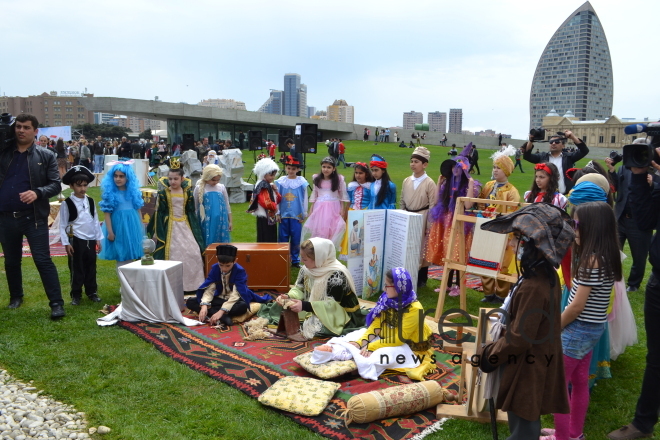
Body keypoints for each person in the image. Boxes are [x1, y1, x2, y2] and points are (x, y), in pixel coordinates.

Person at [477, 203, 574, 440]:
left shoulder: (534, 285)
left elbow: (520, 337)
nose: (511, 244)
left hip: (528, 368)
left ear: (532, 245)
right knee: (523, 421)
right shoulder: (541, 274)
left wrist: (490, 354)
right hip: (533, 362)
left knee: (524, 429)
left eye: (517, 239)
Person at [541, 202, 621, 440]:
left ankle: (563, 437)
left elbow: (576, 307)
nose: (572, 229)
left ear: (591, 228)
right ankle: (574, 433)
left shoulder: (590, 262)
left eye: (575, 224)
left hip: (577, 331)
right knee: (578, 382)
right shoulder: (607, 256)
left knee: (558, 386)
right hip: (593, 330)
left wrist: (554, 327)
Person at [607, 144, 660, 440]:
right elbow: (646, 221)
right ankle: (643, 423)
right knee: (656, 359)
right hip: (659, 284)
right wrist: (640, 176)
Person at [312, 267, 435, 381]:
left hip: (409, 345)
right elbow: (376, 325)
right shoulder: (387, 299)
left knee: (381, 355)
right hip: (387, 336)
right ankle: (336, 351)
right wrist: (360, 343)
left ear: (398, 287)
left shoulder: (415, 309)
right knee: (357, 335)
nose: (384, 289)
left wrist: (372, 347)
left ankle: (355, 365)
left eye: (387, 286)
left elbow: (399, 339)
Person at [0, 114, 65, 318]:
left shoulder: (46, 155)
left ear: (35, 131)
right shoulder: (3, 153)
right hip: (6, 216)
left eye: (26, 127)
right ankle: (16, 297)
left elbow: (55, 184)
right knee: (11, 261)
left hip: (33, 216)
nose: (21, 130)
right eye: (18, 127)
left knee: (42, 259)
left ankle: (56, 303)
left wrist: (37, 192)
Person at [257, 238, 366, 342]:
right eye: (301, 257)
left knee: (316, 327)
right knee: (279, 307)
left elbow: (331, 305)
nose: (301, 261)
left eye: (305, 259)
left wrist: (304, 306)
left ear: (319, 259)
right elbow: (300, 289)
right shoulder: (307, 269)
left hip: (338, 312)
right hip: (315, 305)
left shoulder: (337, 275)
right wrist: (289, 297)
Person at [426, 144, 480, 296]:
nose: (455, 169)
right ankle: (447, 284)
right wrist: (439, 184)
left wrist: (470, 185)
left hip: (460, 223)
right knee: (447, 253)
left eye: (458, 167)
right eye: (453, 167)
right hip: (446, 220)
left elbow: (468, 204)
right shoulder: (447, 184)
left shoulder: (471, 185)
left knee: (457, 253)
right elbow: (436, 201)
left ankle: (458, 286)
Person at [606, 146, 659, 292]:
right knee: (613, 251)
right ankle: (612, 279)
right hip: (621, 216)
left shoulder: (654, 169)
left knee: (639, 255)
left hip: (641, 220)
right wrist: (612, 171)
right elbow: (617, 186)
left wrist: (651, 184)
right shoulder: (625, 167)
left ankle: (634, 284)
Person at [147, 167, 205, 292]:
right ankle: (171, 286)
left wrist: (196, 229)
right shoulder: (163, 194)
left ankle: (192, 284)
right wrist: (157, 231)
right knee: (173, 252)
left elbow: (190, 212)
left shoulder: (188, 193)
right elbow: (159, 213)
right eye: (170, 179)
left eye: (175, 179)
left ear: (182, 179)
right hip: (170, 227)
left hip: (185, 225)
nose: (172, 181)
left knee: (193, 251)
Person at [187, 244, 273, 327]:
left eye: (228, 266)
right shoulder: (215, 269)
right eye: (221, 265)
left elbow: (235, 295)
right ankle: (223, 316)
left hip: (234, 300)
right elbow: (210, 290)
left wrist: (221, 311)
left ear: (235, 261)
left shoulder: (240, 271)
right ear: (217, 259)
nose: (224, 269)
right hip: (219, 298)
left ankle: (218, 313)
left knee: (242, 306)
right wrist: (204, 305)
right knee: (191, 302)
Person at [478, 146, 520, 303]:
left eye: (499, 168)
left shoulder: (512, 191)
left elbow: (512, 212)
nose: (495, 170)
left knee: (503, 263)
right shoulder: (488, 185)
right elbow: (481, 203)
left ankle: (501, 294)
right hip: (486, 229)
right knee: (485, 260)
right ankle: (488, 293)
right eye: (494, 167)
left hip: (503, 232)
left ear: (506, 171)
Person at [59, 166, 103, 306]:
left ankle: (92, 292)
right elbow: (62, 224)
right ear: (71, 186)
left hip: (90, 238)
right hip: (76, 238)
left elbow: (95, 220)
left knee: (91, 265)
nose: (82, 189)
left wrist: (98, 238)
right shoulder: (67, 203)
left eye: (85, 185)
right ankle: (76, 294)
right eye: (79, 186)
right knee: (77, 267)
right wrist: (67, 243)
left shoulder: (90, 201)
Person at [400, 147, 437, 288]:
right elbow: (402, 199)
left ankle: (422, 277)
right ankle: (407, 273)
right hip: (408, 216)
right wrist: (402, 215)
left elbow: (433, 205)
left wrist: (429, 225)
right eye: (411, 161)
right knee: (407, 246)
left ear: (425, 164)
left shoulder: (429, 183)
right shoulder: (406, 181)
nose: (413, 164)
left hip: (422, 216)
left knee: (421, 247)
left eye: (416, 161)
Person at [98, 161, 144, 269]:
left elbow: (138, 211)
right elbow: (107, 214)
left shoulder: (133, 192)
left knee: (131, 255)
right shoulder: (111, 194)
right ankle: (124, 284)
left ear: (127, 177)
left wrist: (140, 228)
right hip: (118, 228)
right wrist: (110, 232)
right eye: (116, 176)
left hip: (132, 227)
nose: (118, 179)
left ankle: (129, 284)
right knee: (121, 255)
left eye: (121, 176)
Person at [301, 156, 349, 249]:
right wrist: (312, 208)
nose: (326, 169)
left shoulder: (339, 179)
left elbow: (342, 195)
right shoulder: (317, 178)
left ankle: (328, 250)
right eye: (324, 167)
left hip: (333, 207)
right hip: (320, 207)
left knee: (332, 229)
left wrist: (342, 208)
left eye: (329, 167)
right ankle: (318, 250)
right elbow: (315, 194)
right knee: (320, 229)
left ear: (334, 169)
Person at [523, 130, 589, 194]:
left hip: (564, 194)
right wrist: (531, 140)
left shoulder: (569, 157)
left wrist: (573, 137)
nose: (553, 143)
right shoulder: (542, 157)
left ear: (563, 145)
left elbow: (584, 151)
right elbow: (527, 156)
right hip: (546, 195)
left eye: (557, 142)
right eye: (551, 142)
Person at [275, 155, 308, 268]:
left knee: (296, 238)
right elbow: (277, 198)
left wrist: (304, 213)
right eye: (289, 168)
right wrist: (277, 212)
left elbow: (305, 198)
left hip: (296, 215)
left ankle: (295, 260)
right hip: (283, 214)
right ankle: (282, 258)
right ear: (285, 168)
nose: (291, 171)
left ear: (298, 170)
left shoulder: (301, 181)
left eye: (293, 169)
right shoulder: (280, 181)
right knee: (283, 237)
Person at [194, 164, 232, 247]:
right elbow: (195, 207)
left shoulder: (221, 187)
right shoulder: (199, 188)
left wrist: (230, 221)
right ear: (207, 177)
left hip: (221, 219)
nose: (216, 182)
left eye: (218, 180)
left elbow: (227, 205)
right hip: (206, 220)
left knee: (221, 241)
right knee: (208, 238)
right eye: (213, 180)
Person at [247, 157, 281, 242]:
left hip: (269, 216)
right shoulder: (263, 185)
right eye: (271, 175)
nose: (273, 177)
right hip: (265, 217)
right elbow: (265, 201)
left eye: (274, 175)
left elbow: (278, 199)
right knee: (267, 238)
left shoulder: (267, 184)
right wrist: (275, 208)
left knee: (269, 237)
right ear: (264, 173)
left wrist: (275, 190)